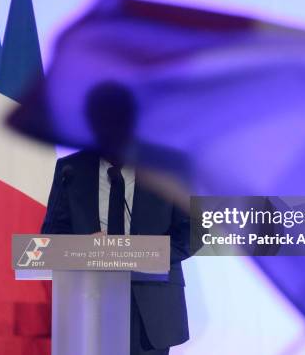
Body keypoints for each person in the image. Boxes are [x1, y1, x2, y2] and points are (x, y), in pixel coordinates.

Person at [41, 81, 192, 354]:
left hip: (150, 309)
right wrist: (83, 249)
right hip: (89, 303)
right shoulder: (70, 169)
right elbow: (50, 239)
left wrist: (138, 253)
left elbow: (193, 231)